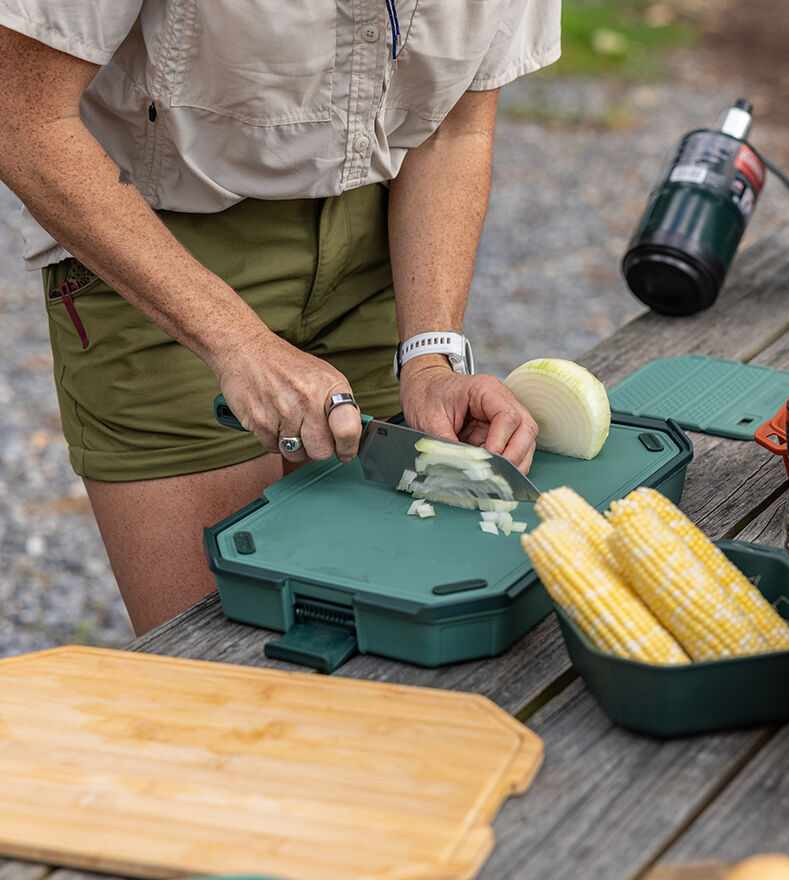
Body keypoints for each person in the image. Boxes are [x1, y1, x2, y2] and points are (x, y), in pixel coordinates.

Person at [0, 1, 561, 635]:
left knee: (381, 655)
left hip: (383, 242)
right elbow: (20, 116)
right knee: (221, 669)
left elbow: (455, 128)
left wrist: (429, 357)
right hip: (156, 243)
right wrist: (238, 343)